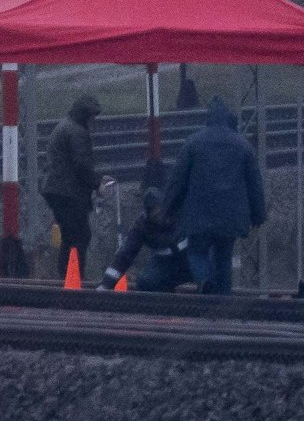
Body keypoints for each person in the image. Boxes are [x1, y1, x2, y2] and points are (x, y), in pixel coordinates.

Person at [160, 97, 266, 295]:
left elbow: (178, 180)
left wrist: (167, 210)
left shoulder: (193, 143)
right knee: (224, 258)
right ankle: (224, 300)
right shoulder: (243, 146)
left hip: (199, 216)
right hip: (231, 218)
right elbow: (255, 184)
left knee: (196, 252)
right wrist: (259, 214)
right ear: (229, 120)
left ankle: (205, 281)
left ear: (208, 119)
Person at [41, 94, 103, 284]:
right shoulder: (77, 132)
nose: (94, 120)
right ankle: (74, 279)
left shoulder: (65, 126)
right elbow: (81, 165)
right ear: (85, 115)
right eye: (92, 116)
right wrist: (97, 183)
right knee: (79, 236)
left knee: (70, 236)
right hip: (68, 193)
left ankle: (68, 278)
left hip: (57, 190)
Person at [101, 163, 190, 292]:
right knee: (146, 282)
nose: (160, 217)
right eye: (155, 214)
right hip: (164, 263)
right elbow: (124, 255)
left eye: (161, 212)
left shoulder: (182, 212)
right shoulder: (142, 225)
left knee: (207, 276)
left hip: (190, 257)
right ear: (148, 215)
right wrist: (105, 285)